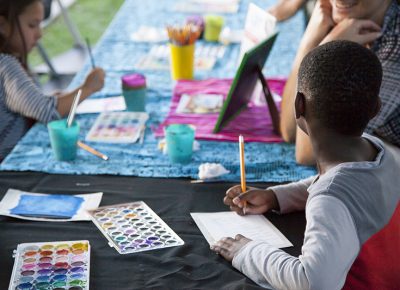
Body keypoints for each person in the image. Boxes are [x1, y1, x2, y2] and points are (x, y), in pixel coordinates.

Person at [211, 41, 400, 289]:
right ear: (375, 108)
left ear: (299, 105)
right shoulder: (382, 151)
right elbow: (346, 189)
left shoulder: (330, 201)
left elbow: (312, 282)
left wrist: (247, 251)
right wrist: (275, 197)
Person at [279, 0, 399, 165]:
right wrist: (308, 44)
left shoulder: (395, 50)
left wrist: (323, 52)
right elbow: (289, 131)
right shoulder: (345, 21)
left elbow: (311, 154)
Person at [0, 0, 105, 160]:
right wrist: (88, 88)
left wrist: (48, 100)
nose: (40, 33)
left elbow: (28, 105)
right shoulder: (6, 66)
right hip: (10, 164)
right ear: (2, 25)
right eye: (32, 25)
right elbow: (47, 113)